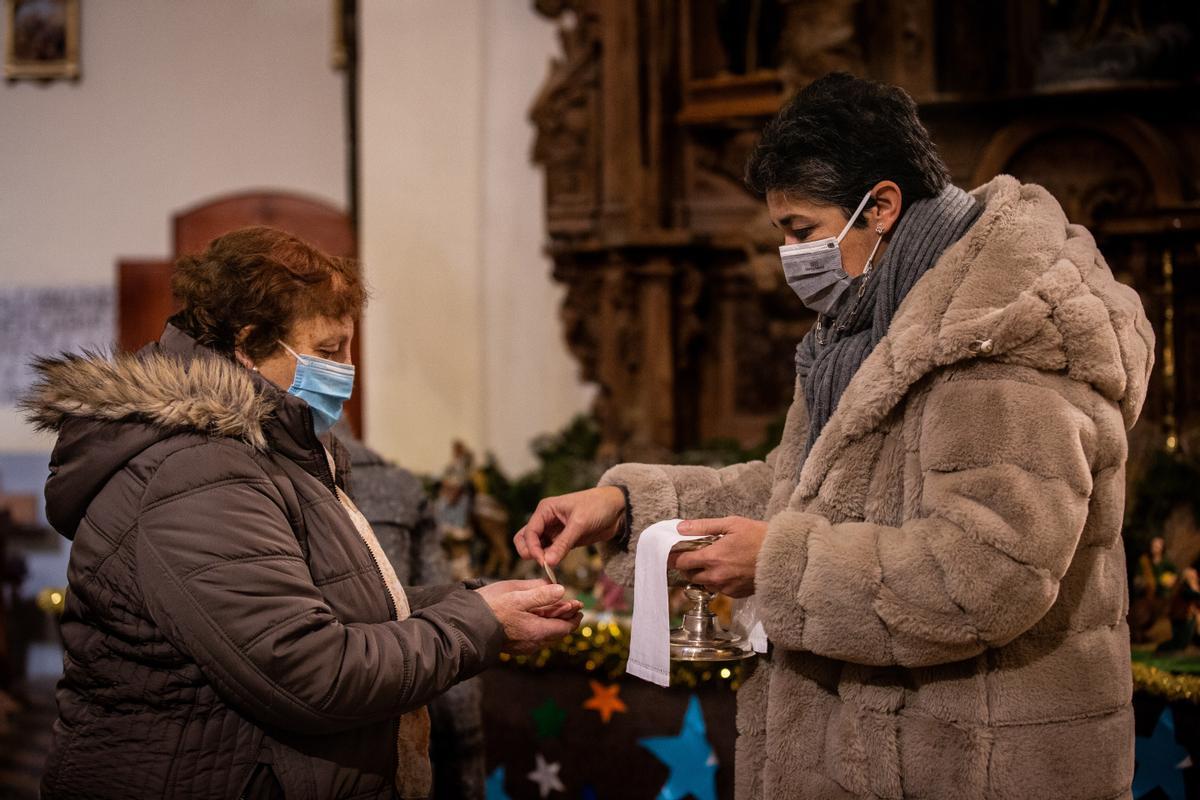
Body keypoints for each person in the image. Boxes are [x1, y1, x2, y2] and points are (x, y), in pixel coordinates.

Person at [516, 73, 1153, 799]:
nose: (790, 256)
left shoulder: (1000, 338)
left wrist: (779, 565)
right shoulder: (877, 319)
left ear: (880, 206)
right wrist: (630, 507)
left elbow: (986, 574)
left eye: (801, 230)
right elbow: (804, 486)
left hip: (975, 766)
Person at [22, 226, 582, 800]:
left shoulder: (270, 446)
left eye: (348, 347)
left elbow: (328, 606)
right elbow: (310, 671)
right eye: (328, 350)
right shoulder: (196, 470)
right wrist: (477, 624)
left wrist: (479, 601)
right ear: (247, 344)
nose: (346, 367)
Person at [336, 425, 488, 799]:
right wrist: (465, 741)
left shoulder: (254, 484)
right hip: (403, 699)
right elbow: (448, 613)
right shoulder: (397, 485)